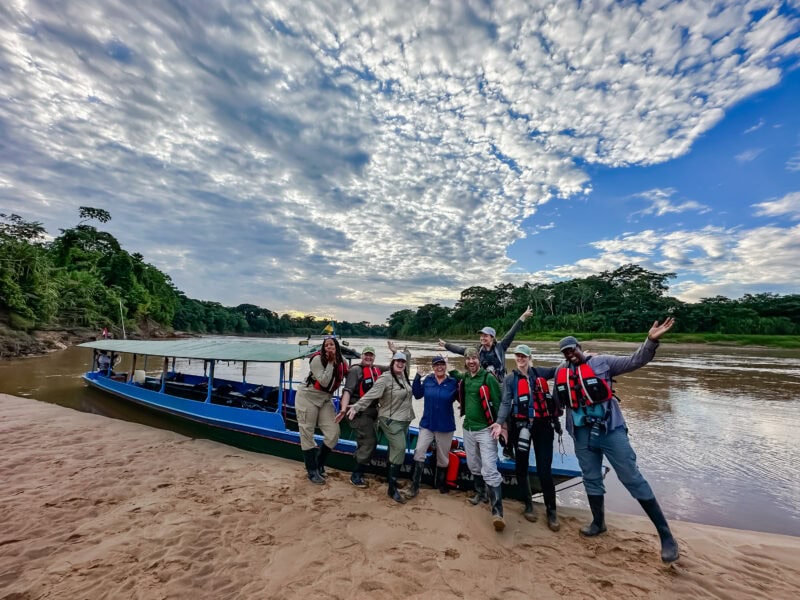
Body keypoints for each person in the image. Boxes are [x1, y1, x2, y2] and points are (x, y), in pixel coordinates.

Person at [554, 319, 680, 563]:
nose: (570, 354)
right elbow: (557, 401)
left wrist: (650, 341)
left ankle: (666, 536)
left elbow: (635, 360)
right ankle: (598, 523)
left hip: (609, 429)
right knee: (590, 477)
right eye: (565, 352)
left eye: (573, 349)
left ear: (580, 347)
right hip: (581, 433)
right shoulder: (561, 372)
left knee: (631, 477)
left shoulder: (602, 362)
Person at [492, 344, 562, 531]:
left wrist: (583, 359)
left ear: (530, 358)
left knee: (544, 469)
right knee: (521, 467)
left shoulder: (540, 372)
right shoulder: (510, 379)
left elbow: (560, 369)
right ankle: (528, 505)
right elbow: (505, 403)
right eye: (518, 355)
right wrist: (499, 422)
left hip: (543, 426)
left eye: (524, 356)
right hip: (520, 426)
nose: (520, 359)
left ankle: (551, 511)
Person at [347, 351, 414, 504]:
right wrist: (356, 407)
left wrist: (401, 352)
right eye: (397, 361)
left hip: (404, 420)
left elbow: (406, 365)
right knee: (400, 448)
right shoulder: (385, 378)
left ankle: (390, 479)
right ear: (392, 362)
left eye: (403, 362)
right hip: (390, 420)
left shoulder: (403, 376)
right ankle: (392, 488)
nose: (400, 363)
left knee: (393, 449)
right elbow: (371, 395)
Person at [450, 348, 505, 531]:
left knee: (489, 467)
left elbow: (498, 403)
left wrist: (501, 425)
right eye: (468, 359)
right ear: (465, 361)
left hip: (486, 429)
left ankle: (497, 511)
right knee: (473, 464)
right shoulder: (466, 377)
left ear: (479, 360)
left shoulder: (488, 378)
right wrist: (448, 368)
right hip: (468, 428)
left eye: (474, 358)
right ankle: (481, 494)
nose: (471, 361)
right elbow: (457, 375)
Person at [335, 341, 402, 488]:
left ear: (374, 357)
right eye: (366, 355)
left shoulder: (376, 369)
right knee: (369, 441)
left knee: (368, 440)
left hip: (372, 411)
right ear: (362, 356)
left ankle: (362, 465)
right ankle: (356, 475)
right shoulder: (355, 371)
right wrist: (343, 409)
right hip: (357, 411)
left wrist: (394, 352)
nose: (369, 358)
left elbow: (394, 368)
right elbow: (347, 390)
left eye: (371, 355)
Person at [295, 336, 348, 485]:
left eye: (332, 345)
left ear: (337, 347)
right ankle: (312, 470)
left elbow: (349, 373)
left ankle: (319, 463)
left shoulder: (342, 361)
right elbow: (324, 381)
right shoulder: (317, 360)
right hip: (308, 397)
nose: (329, 347)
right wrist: (330, 362)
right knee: (307, 433)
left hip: (325, 399)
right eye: (326, 345)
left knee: (333, 433)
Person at [405, 355, 458, 499]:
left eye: (442, 364)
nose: (439, 367)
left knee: (443, 457)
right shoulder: (428, 380)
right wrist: (417, 377)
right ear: (433, 367)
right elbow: (417, 394)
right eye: (436, 365)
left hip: (445, 425)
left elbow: (462, 397)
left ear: (445, 366)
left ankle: (440, 484)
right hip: (427, 424)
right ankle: (415, 486)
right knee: (419, 451)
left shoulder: (453, 382)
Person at [438, 306, 534, 383]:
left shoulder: (501, 347)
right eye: (481, 336)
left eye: (485, 336)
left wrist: (523, 316)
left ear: (492, 337)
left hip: (499, 381)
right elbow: (461, 350)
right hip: (482, 381)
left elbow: (511, 332)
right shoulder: (477, 350)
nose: (482, 338)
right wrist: (446, 345)